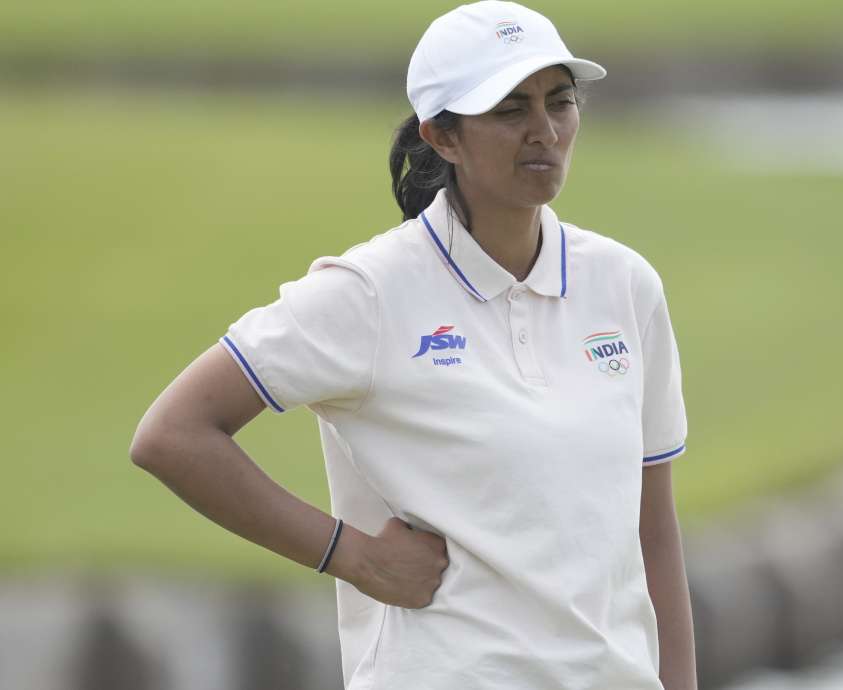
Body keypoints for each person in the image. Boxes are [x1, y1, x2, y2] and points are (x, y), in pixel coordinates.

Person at [129, 1, 697, 688]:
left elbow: (653, 532)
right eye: (511, 109)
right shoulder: (369, 292)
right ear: (443, 136)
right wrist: (355, 557)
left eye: (560, 102)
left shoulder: (625, 286)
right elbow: (174, 434)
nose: (545, 131)